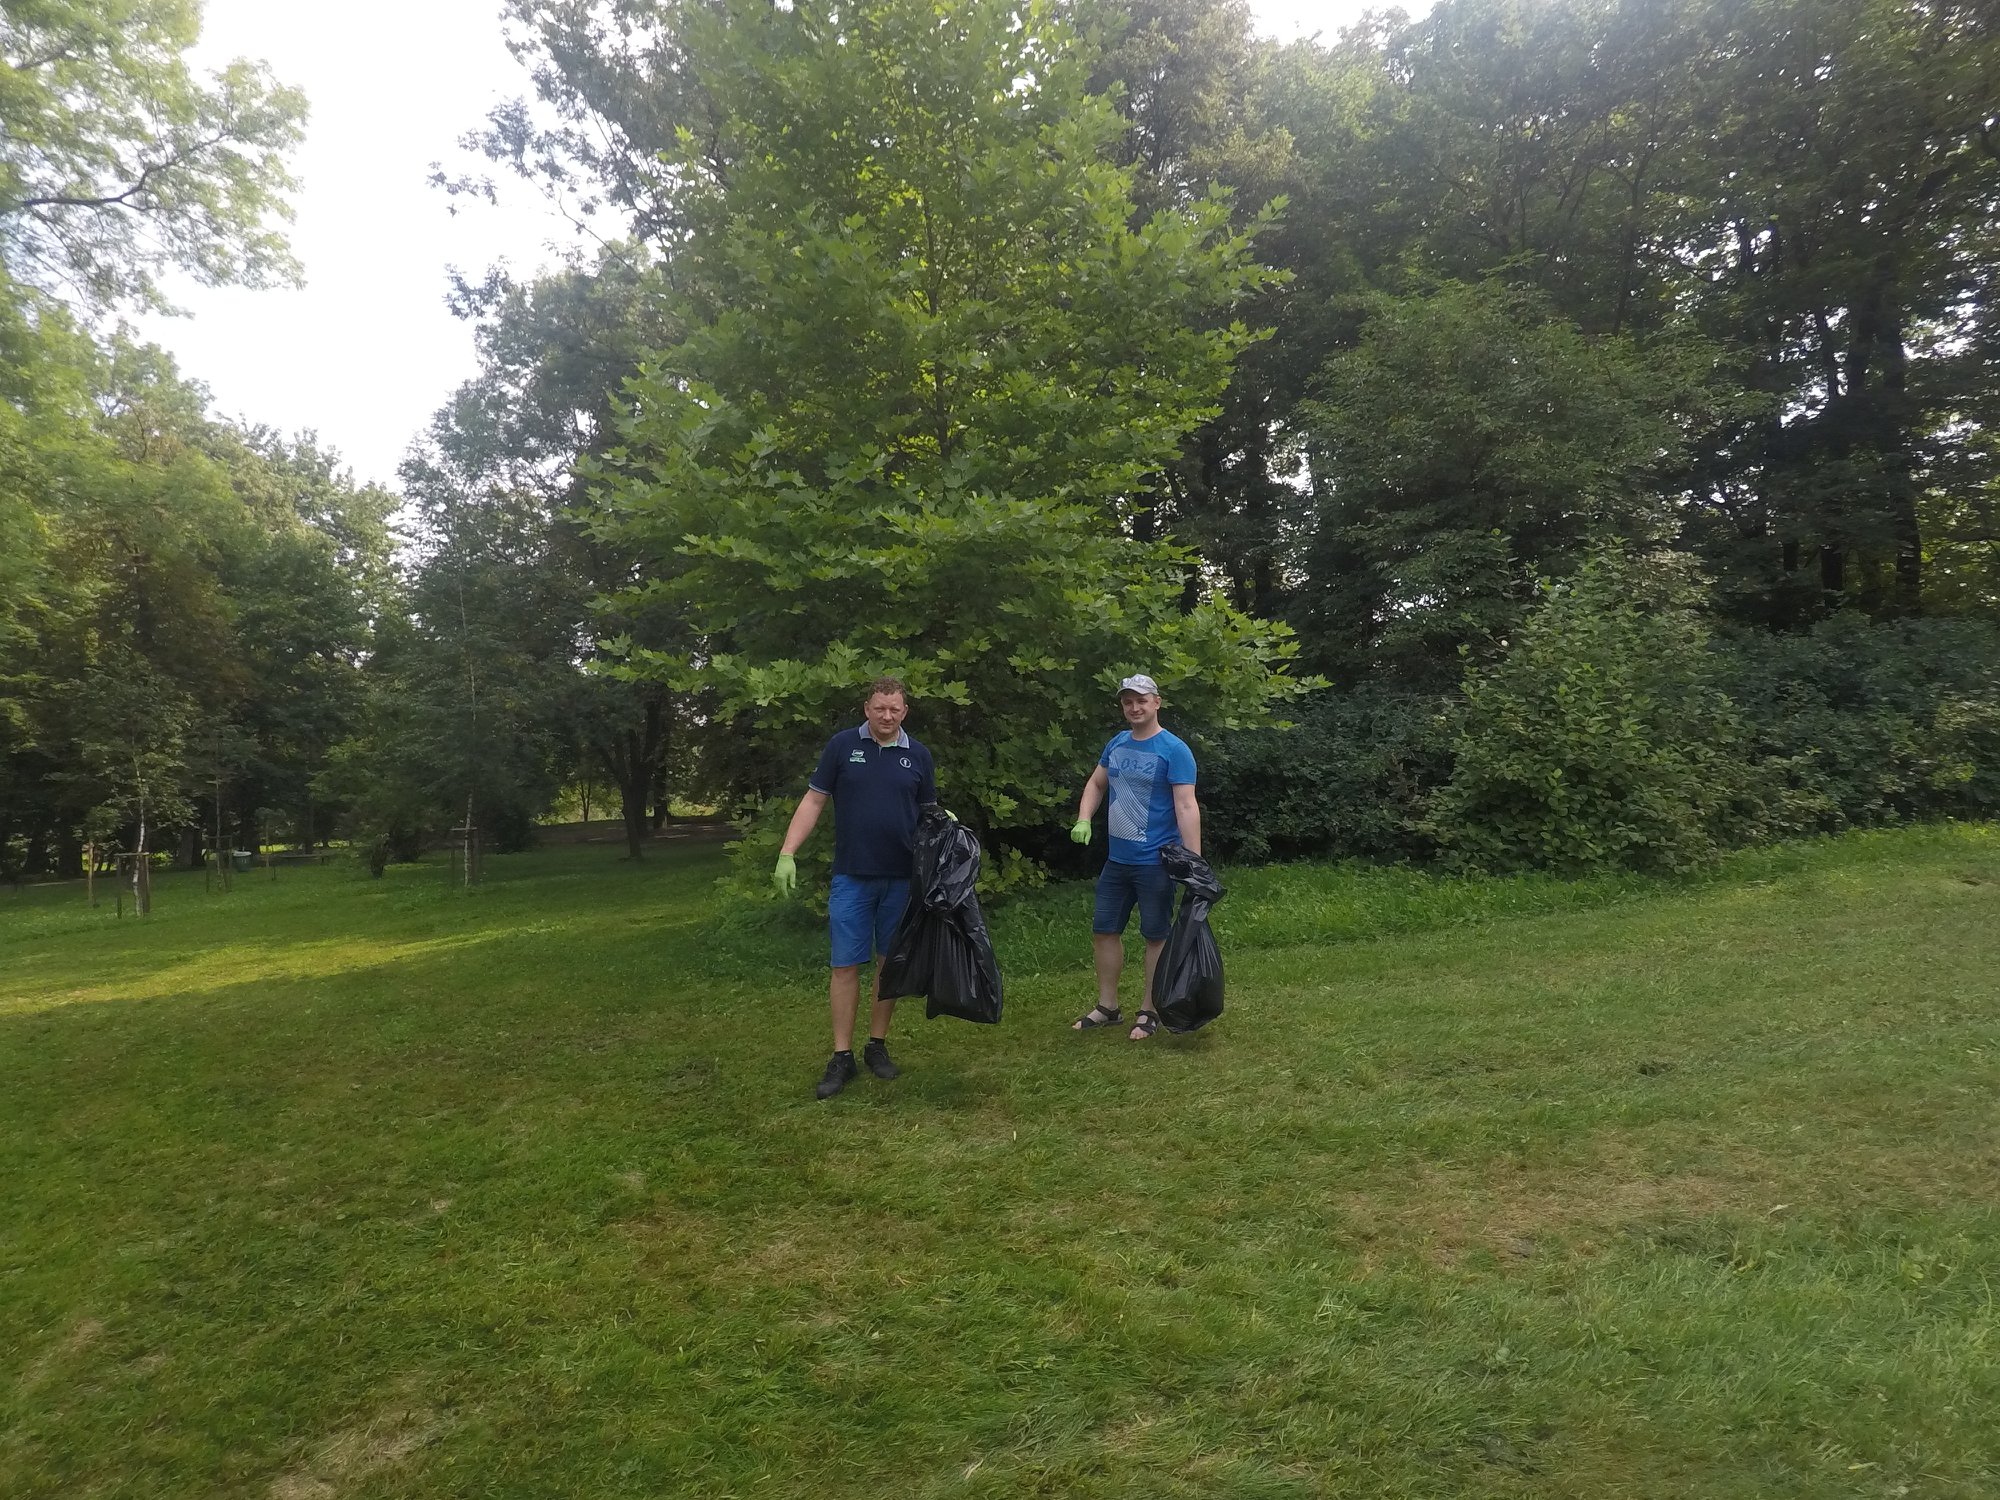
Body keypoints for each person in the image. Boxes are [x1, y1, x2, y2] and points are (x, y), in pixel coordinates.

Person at [773, 677, 938, 1098]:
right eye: (880, 708)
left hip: (901, 879)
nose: (887, 716)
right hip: (852, 876)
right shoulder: (843, 746)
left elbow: (928, 814)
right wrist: (788, 852)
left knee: (888, 964)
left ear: (905, 712)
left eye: (895, 709)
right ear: (867, 708)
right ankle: (841, 1055)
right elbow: (814, 800)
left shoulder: (918, 755)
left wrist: (943, 829)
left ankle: (876, 1046)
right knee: (845, 965)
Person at [1067, 673, 1200, 1040]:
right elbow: (1096, 783)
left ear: (1157, 702)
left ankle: (1149, 1009)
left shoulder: (1174, 749)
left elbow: (1186, 806)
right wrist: (1083, 818)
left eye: (1141, 700)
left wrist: (1194, 863)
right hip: (1117, 862)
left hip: (1155, 862)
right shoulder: (1117, 743)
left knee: (1155, 936)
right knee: (1104, 931)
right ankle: (1108, 1007)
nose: (1134, 707)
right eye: (1128, 701)